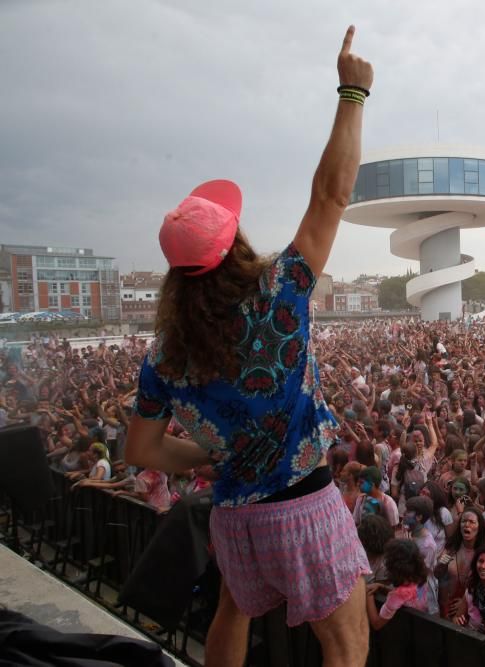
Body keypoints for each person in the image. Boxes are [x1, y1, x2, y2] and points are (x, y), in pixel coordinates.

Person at [126, 25, 374, 667]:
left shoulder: (166, 356)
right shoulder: (280, 291)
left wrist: (213, 452)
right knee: (346, 645)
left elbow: (141, 448)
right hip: (304, 502)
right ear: (233, 246)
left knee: (233, 609)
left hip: (235, 514)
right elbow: (332, 195)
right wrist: (353, 91)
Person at [366, 538, 437, 631]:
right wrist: (381, 586)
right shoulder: (420, 577)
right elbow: (407, 597)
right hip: (422, 624)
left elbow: (377, 624)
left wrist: (368, 596)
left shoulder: (397, 596)